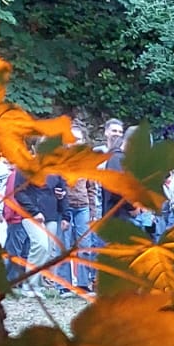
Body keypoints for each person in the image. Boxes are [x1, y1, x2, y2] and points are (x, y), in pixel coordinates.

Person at [64, 124, 98, 293]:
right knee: (64, 246)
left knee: (85, 245)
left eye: (78, 140)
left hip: (83, 206)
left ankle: (83, 284)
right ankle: (63, 285)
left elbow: (92, 188)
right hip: (65, 206)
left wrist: (93, 212)